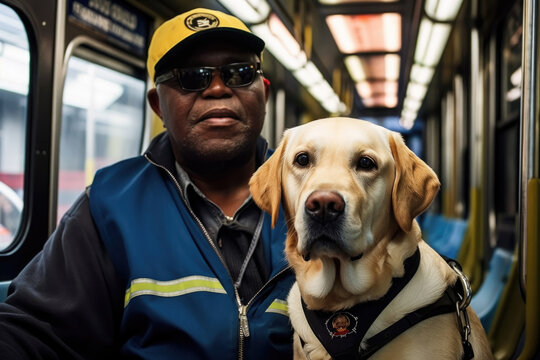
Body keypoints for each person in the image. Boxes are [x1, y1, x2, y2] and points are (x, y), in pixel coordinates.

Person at [0, 8, 295, 359]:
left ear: (262, 92)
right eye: (192, 76)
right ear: (158, 105)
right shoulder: (110, 204)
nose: (217, 88)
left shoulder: (313, 194)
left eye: (239, 72)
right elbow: (35, 332)